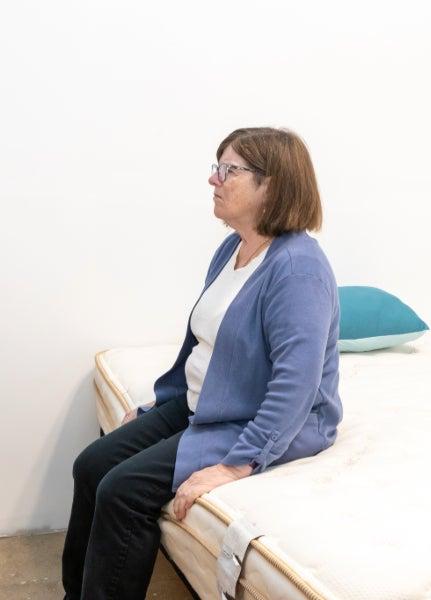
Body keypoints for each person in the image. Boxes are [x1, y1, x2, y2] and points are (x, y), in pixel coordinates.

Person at [62, 127, 342, 599]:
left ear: (271, 185)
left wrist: (240, 464)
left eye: (229, 170)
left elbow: (297, 383)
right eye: (217, 167)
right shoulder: (232, 249)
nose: (215, 179)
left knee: (123, 491)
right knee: (92, 465)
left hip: (252, 421)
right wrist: (161, 404)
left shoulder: (297, 269)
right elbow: (202, 342)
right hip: (206, 404)